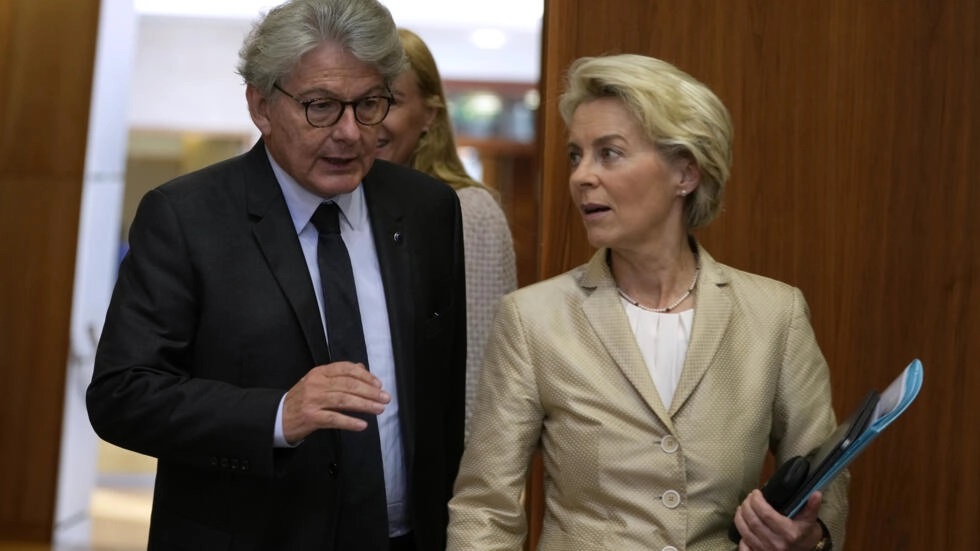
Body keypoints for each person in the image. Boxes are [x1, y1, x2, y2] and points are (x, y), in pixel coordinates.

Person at [86, 1, 466, 550]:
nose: (349, 132)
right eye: (320, 107)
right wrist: (277, 415)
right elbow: (123, 396)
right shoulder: (187, 217)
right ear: (261, 106)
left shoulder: (428, 210)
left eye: (368, 105)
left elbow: (443, 396)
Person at [447, 53, 848, 550]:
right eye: (576, 156)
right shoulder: (534, 320)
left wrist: (809, 537)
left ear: (685, 173)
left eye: (609, 153)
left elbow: (825, 479)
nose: (581, 176)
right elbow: (485, 510)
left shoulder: (774, 316)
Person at [375, 28, 517, 439]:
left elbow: (481, 372)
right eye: (363, 101)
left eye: (391, 101)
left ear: (429, 115)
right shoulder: (338, 207)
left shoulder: (467, 212)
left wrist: (470, 477)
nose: (370, 119)